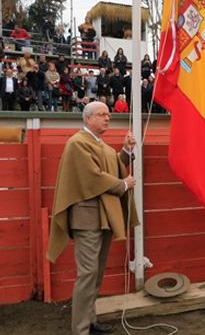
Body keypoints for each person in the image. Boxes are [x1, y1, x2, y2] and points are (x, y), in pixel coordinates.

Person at [45, 102, 139, 335]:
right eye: (102, 115)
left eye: (109, 115)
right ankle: (80, 329)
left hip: (102, 217)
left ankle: (90, 320)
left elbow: (113, 164)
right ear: (88, 119)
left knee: (95, 272)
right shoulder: (78, 143)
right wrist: (122, 185)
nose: (107, 118)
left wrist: (126, 151)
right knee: (87, 273)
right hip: (86, 219)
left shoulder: (98, 144)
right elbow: (93, 177)